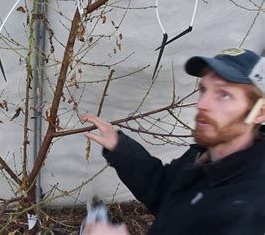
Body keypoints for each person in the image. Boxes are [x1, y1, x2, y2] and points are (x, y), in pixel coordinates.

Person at [81, 48, 265, 235]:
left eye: (224, 95)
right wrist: (121, 148)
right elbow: (165, 192)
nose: (201, 104)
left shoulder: (253, 209)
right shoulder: (204, 155)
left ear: (259, 113)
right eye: (204, 90)